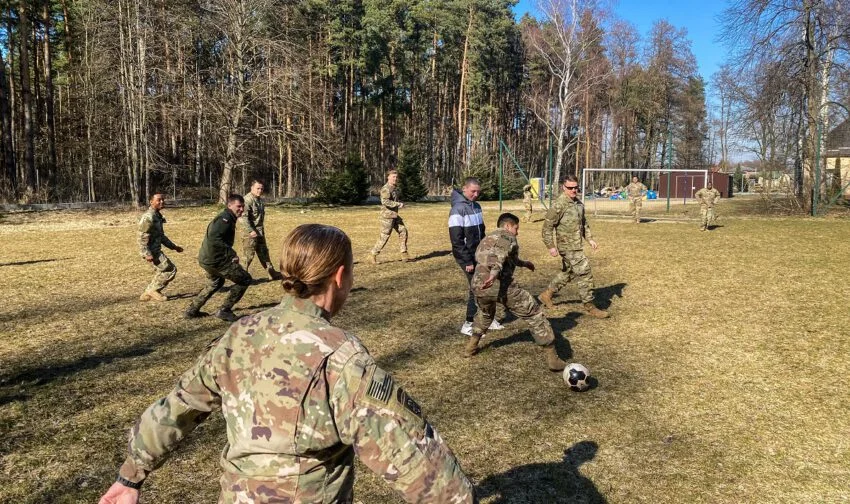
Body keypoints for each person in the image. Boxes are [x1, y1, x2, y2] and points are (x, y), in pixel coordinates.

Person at [98, 224, 477, 504]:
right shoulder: (341, 358)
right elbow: (411, 453)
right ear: (340, 277)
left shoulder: (240, 335)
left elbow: (177, 408)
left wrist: (130, 477)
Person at [466, 213, 567, 371]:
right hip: (500, 285)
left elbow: (503, 256)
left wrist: (523, 263)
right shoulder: (506, 237)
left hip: (478, 285)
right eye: (516, 228)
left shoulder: (488, 238)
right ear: (507, 226)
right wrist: (493, 275)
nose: (517, 232)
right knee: (534, 314)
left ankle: (471, 347)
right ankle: (553, 358)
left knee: (485, 314)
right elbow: (497, 258)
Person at [538, 175, 609, 319]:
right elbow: (547, 227)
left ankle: (546, 295)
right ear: (563, 187)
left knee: (569, 272)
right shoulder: (559, 205)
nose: (574, 190)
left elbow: (583, 223)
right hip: (566, 247)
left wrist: (589, 239)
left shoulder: (578, 203)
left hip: (577, 245)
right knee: (585, 273)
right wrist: (550, 246)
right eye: (570, 188)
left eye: (576, 187)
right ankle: (590, 306)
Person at [184, 194, 252, 322]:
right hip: (215, 260)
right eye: (239, 206)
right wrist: (232, 254)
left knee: (215, 282)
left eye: (243, 207)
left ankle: (191, 311)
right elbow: (215, 239)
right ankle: (224, 310)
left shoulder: (228, 217)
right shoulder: (224, 219)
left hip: (207, 259)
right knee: (245, 279)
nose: (241, 209)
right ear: (229, 205)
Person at [449, 177, 504, 336]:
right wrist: (466, 260)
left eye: (478, 192)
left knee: (487, 285)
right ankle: (468, 323)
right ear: (464, 189)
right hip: (466, 257)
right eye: (473, 191)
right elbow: (456, 240)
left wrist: (487, 251)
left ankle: (488, 318)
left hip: (479, 255)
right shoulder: (457, 210)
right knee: (476, 287)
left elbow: (482, 231)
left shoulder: (477, 207)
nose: (476, 194)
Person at [137, 193, 184, 302]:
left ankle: (147, 294)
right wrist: (146, 253)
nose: (162, 202)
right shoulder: (148, 217)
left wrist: (174, 247)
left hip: (156, 250)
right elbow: (141, 237)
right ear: (151, 202)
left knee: (161, 270)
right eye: (159, 200)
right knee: (170, 269)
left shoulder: (157, 216)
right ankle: (154, 290)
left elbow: (161, 236)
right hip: (152, 252)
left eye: (163, 200)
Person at [241, 180, 280, 280]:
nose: (260, 190)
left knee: (264, 252)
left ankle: (271, 273)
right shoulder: (247, 200)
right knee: (248, 255)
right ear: (252, 188)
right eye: (258, 188)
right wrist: (251, 231)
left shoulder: (259, 200)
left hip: (259, 231)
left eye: (261, 188)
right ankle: (241, 276)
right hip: (250, 233)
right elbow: (243, 218)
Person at [368, 170, 409, 263]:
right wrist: (398, 204)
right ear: (388, 177)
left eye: (396, 177)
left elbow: (395, 199)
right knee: (385, 236)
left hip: (394, 216)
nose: (395, 178)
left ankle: (404, 254)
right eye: (393, 177)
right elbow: (386, 202)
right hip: (387, 217)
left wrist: (401, 202)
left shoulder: (394, 188)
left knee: (403, 231)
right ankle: (373, 254)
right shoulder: (385, 189)